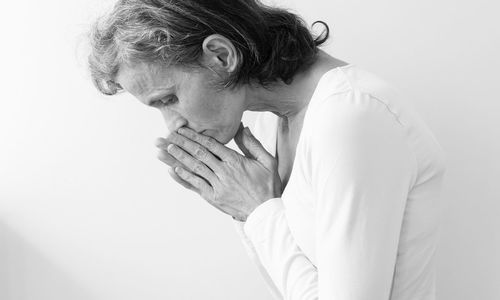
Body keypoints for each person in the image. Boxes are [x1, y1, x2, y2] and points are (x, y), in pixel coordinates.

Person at [87, 0, 447, 299]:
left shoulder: (352, 115)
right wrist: (246, 211)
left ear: (221, 55)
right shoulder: (264, 123)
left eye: (169, 99)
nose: (173, 125)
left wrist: (257, 211)